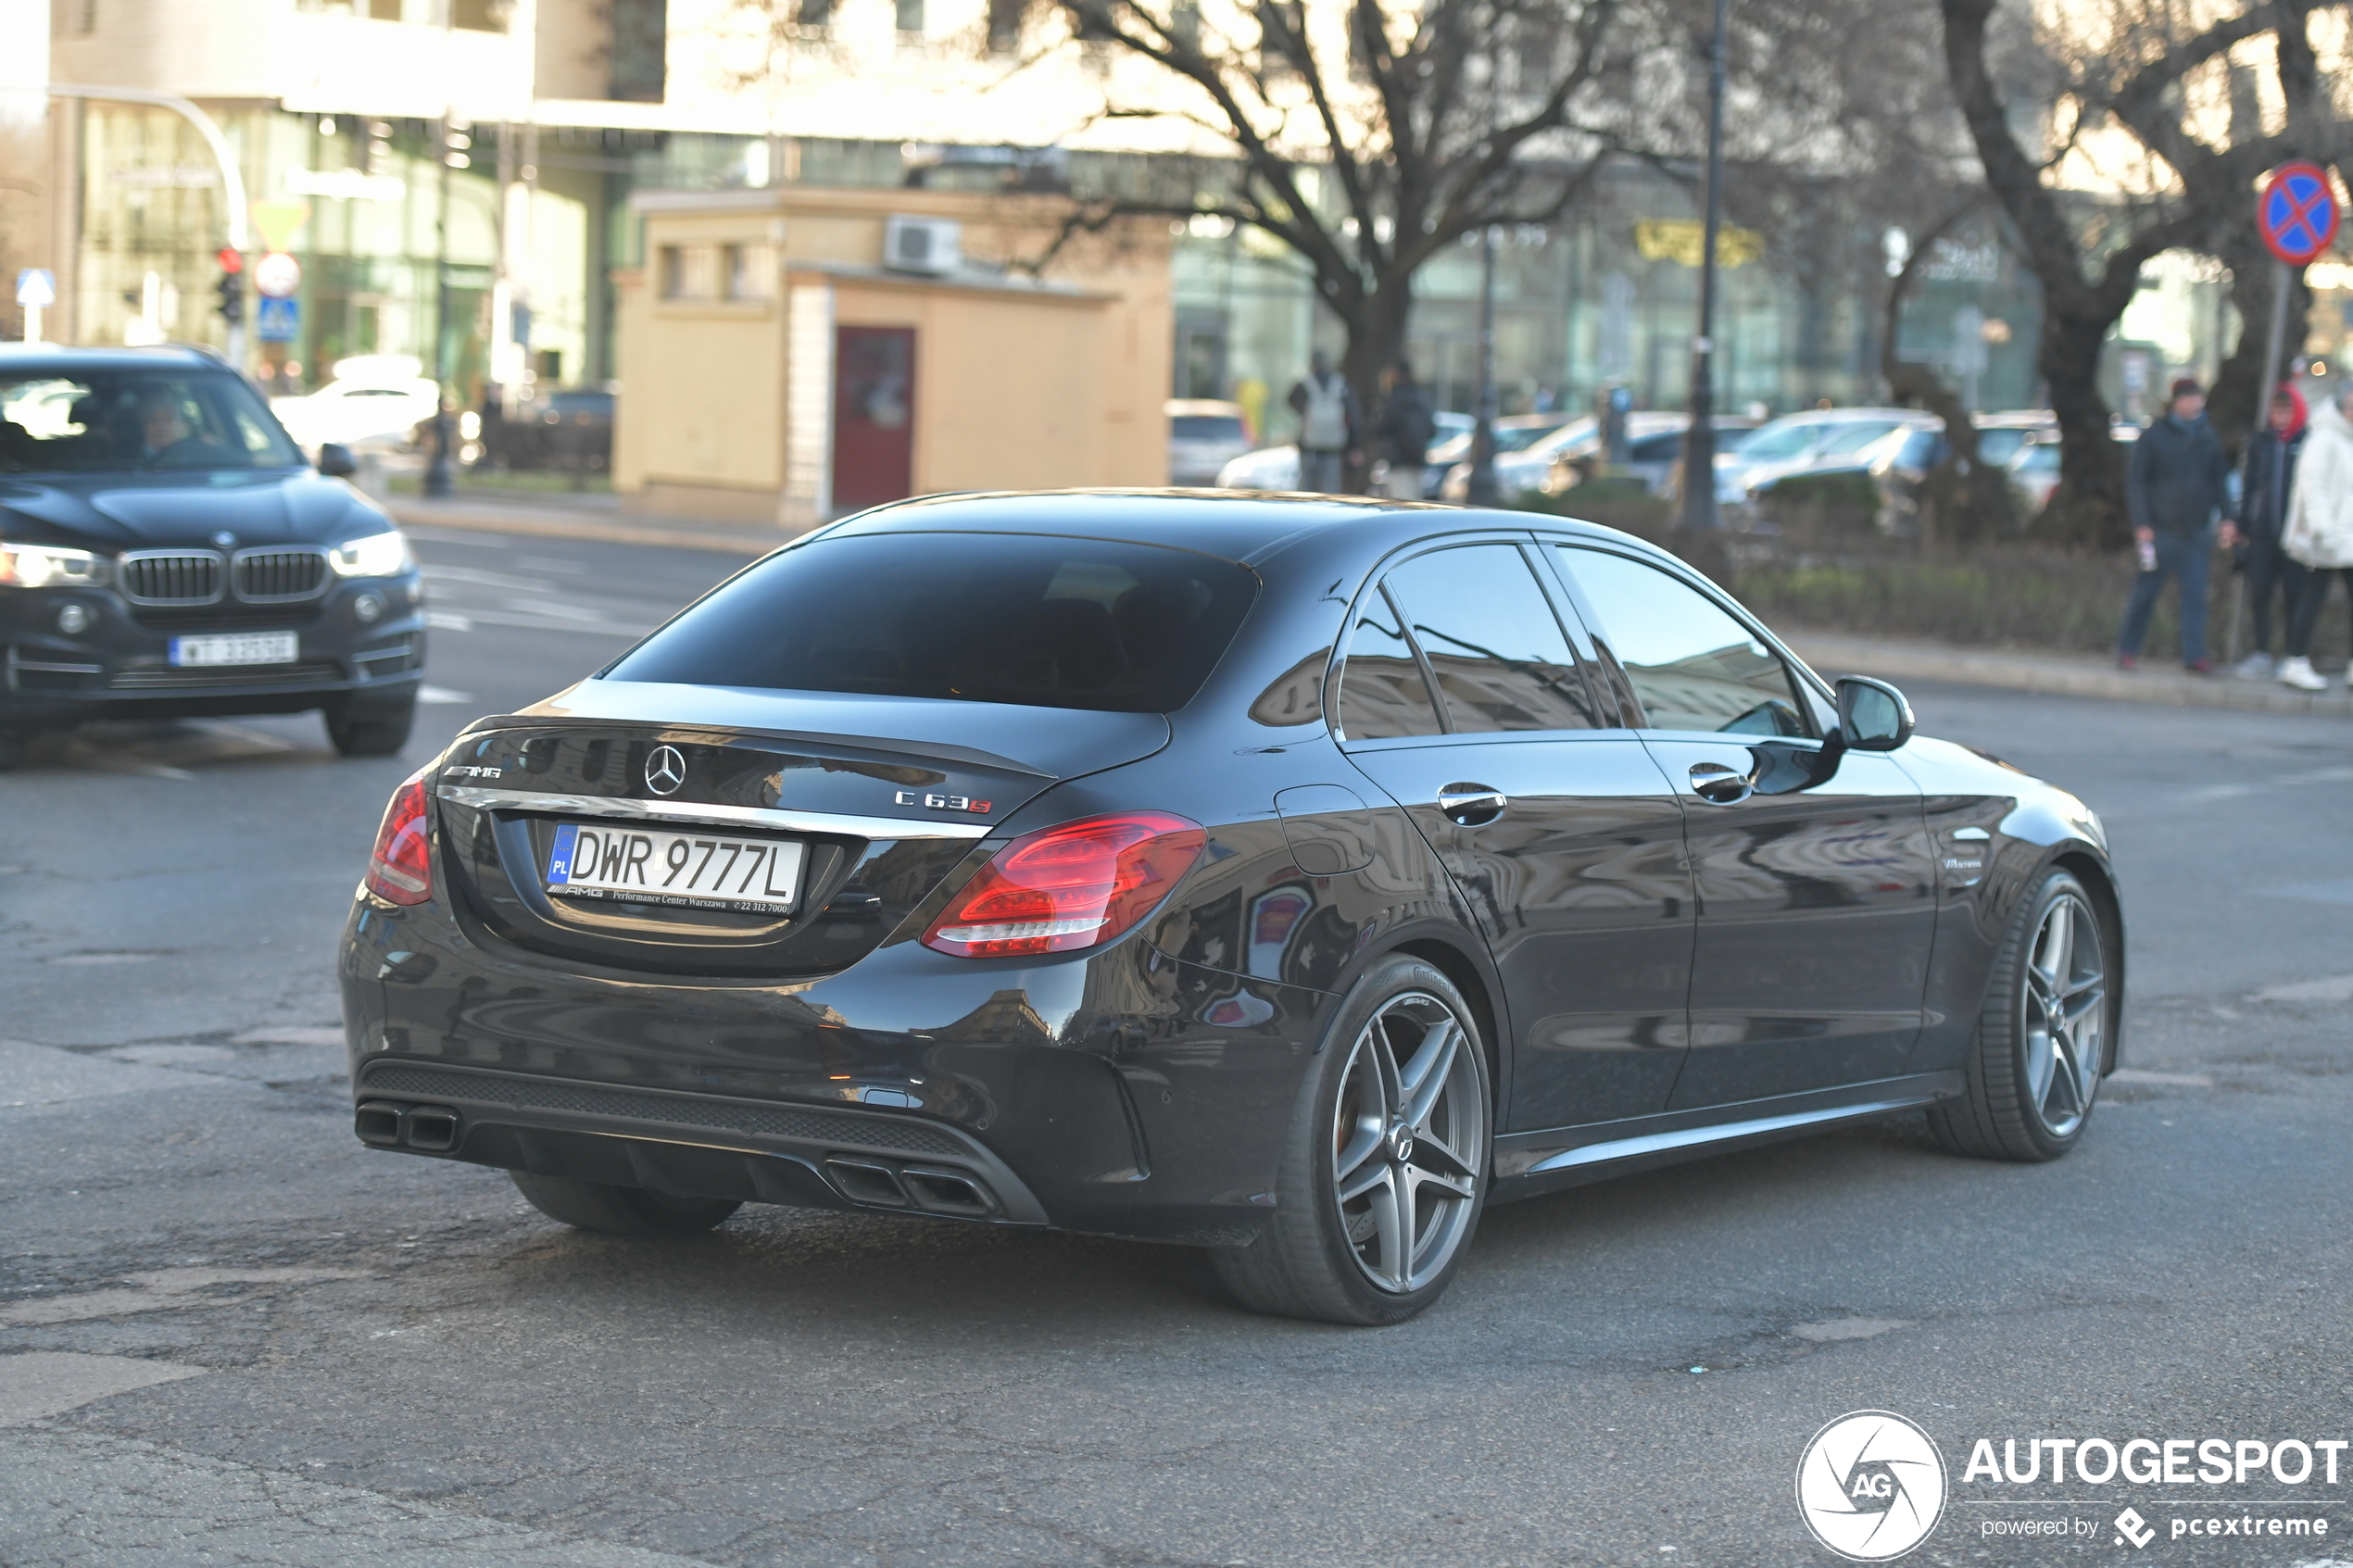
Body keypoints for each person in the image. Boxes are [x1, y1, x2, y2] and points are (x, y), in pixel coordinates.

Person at [2118, 377, 2231, 672]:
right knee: (2145, 594)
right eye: (2189, 398)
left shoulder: (2208, 436)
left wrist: (2227, 518)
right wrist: (2142, 523)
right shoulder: (2155, 435)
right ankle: (2127, 650)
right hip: (2160, 530)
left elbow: (2219, 482)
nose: (2195, 403)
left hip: (2196, 530)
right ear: (2176, 401)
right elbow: (2138, 482)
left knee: (2195, 597)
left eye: (2198, 398)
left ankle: (2195, 656)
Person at [2223, 382, 2309, 680]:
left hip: (2295, 535)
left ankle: (2293, 654)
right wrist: (2242, 523)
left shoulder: (2307, 442)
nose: (2280, 417)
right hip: (2262, 534)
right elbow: (2249, 485)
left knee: (2294, 597)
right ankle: (2261, 651)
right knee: (2260, 595)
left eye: (2286, 411)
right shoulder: (2260, 442)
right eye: (2276, 411)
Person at [2278, 382, 2353, 691]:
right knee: (2310, 600)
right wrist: (2323, 528)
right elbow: (2313, 485)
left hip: (2346, 536)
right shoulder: (2323, 438)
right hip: (2327, 537)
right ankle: (2295, 661)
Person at [1287, 350, 1358, 494]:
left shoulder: (1305, 384)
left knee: (1305, 490)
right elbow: (1354, 415)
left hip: (1309, 448)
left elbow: (1289, 399)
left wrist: (1305, 413)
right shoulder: (1340, 384)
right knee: (1330, 491)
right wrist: (1354, 446)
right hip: (1333, 450)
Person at [1372, 361, 1437, 500]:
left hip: (1398, 460)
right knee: (1415, 502)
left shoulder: (1394, 398)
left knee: (1400, 503)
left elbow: (1380, 428)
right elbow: (1432, 429)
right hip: (1418, 459)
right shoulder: (1422, 397)